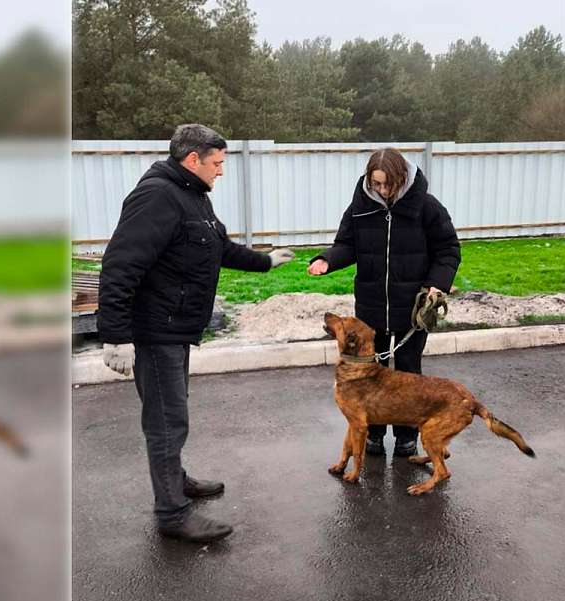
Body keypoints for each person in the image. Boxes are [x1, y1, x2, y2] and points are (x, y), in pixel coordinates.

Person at [98, 124, 294, 543]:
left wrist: (266, 262)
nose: (221, 171)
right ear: (193, 160)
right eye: (217, 164)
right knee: (167, 421)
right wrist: (114, 335)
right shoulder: (157, 197)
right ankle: (172, 512)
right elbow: (120, 265)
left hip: (176, 326)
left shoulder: (193, 197)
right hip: (155, 331)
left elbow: (218, 248)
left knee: (172, 413)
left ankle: (176, 479)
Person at [308, 147, 461, 457]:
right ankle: (373, 433)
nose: (381, 190)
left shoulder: (427, 207)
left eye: (387, 184)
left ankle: (407, 436)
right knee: (369, 374)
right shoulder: (360, 207)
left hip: (413, 308)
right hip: (371, 306)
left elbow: (448, 250)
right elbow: (347, 245)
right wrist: (327, 260)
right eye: (376, 183)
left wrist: (436, 284)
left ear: (401, 178)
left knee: (407, 374)